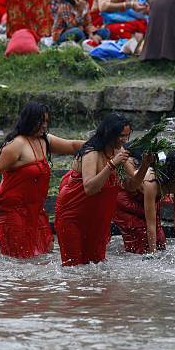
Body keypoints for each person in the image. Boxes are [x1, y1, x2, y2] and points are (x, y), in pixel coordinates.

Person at [0, 102, 85, 259]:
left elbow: (73, 146)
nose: (44, 126)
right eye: (41, 122)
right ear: (29, 121)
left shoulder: (45, 140)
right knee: (19, 258)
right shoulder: (16, 144)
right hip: (11, 209)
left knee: (44, 250)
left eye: (47, 122)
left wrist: (101, 143)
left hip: (35, 208)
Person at [55, 113, 153, 266]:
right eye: (121, 136)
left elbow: (133, 184)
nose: (125, 141)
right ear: (109, 133)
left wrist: (145, 165)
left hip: (98, 218)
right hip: (73, 216)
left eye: (127, 136)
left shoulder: (118, 151)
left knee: (96, 265)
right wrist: (112, 165)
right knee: (73, 268)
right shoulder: (91, 153)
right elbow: (89, 188)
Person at [114, 150, 175, 254]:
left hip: (146, 201)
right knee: (142, 246)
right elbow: (150, 223)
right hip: (127, 202)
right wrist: (152, 254)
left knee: (160, 244)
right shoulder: (152, 183)